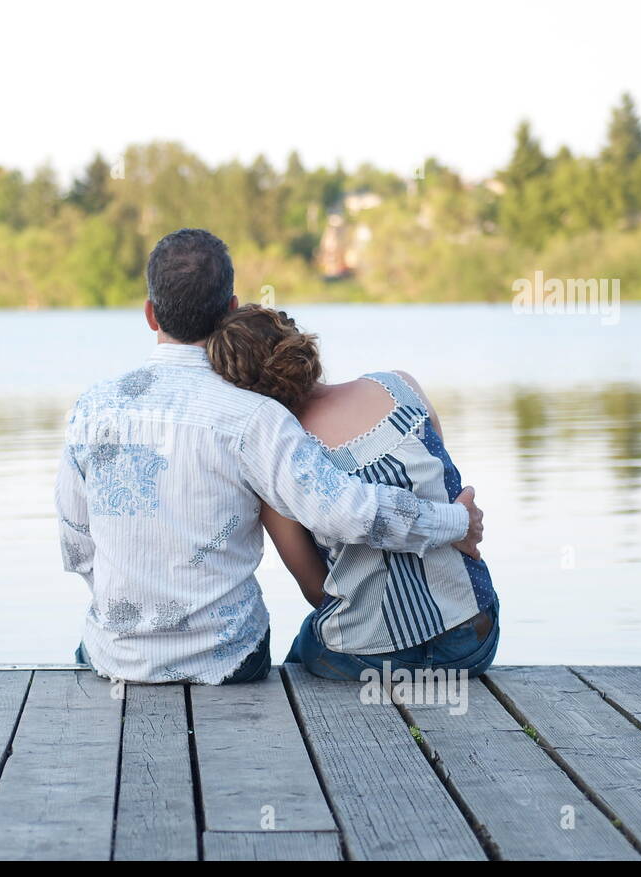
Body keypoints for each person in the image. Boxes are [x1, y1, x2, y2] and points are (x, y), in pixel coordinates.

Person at [54, 229, 482, 685]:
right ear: (231, 309)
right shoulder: (256, 416)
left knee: (88, 653)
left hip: (117, 656)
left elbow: (76, 543)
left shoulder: (92, 408)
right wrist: (454, 522)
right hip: (227, 659)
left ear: (150, 314)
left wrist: (133, 619)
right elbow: (347, 512)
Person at [205, 304, 498, 680]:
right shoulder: (400, 386)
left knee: (305, 648)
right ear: (301, 346)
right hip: (473, 641)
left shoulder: (281, 463)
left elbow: (316, 589)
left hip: (373, 659)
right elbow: (444, 490)